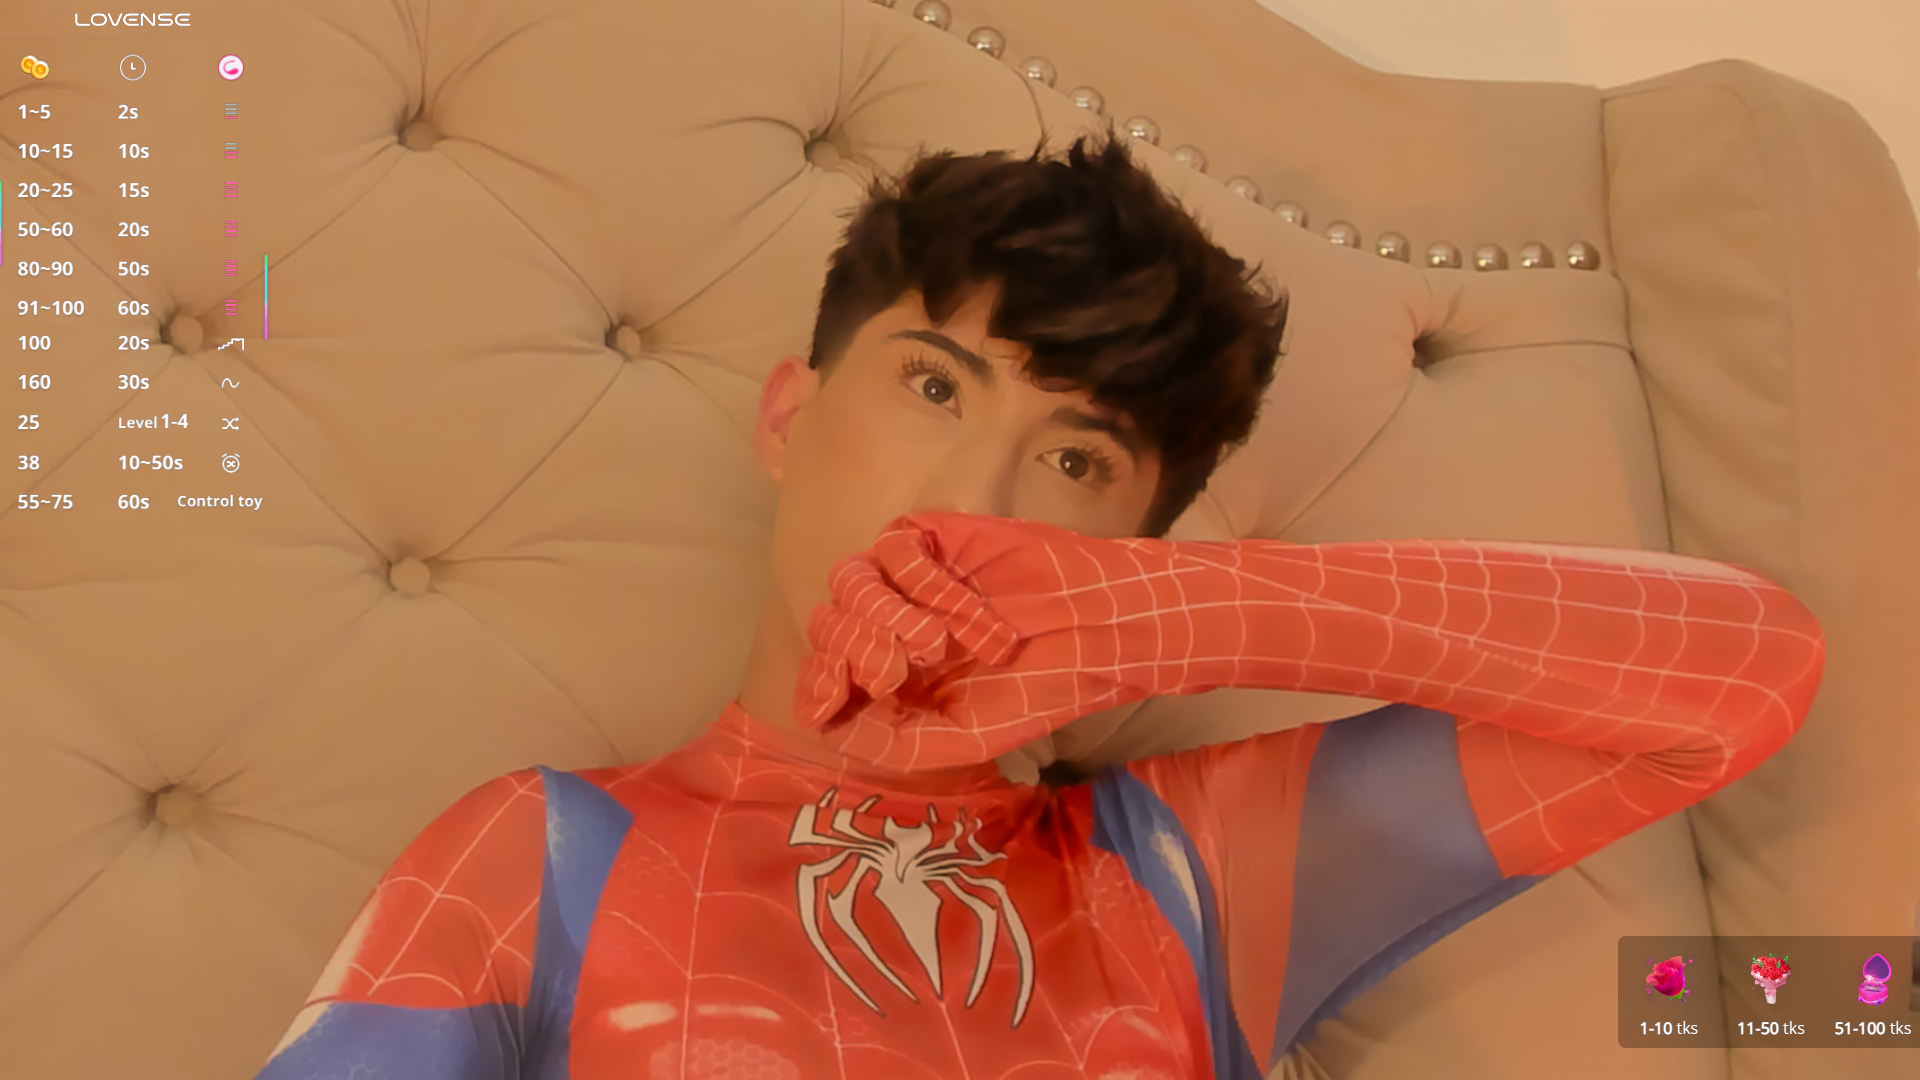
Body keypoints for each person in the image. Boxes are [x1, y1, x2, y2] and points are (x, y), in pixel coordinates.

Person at [253, 126, 1824, 1080]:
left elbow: (1748, 672)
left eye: (1078, 458)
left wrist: (1166, 619)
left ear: (1138, 538)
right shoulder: (536, 856)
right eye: (935, 385)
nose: (973, 500)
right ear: (791, 416)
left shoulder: (1195, 874)